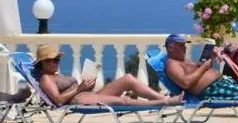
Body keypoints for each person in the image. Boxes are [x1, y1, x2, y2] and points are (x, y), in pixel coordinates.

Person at [32, 43, 184, 106]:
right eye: (52, 60)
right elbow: (58, 101)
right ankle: (163, 103)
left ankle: (164, 98)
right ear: (42, 62)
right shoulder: (46, 78)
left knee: (128, 79)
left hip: (86, 94)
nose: (56, 62)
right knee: (124, 101)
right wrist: (79, 89)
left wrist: (86, 83)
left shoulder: (55, 75)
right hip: (79, 99)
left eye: (57, 59)